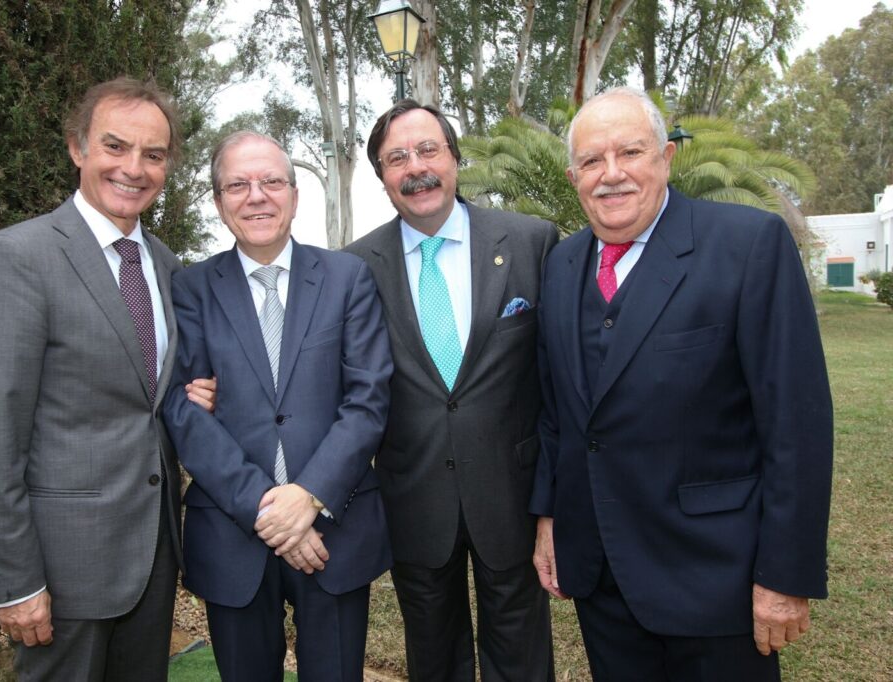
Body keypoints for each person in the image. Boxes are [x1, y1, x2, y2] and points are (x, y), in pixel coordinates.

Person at [529, 87, 833, 681]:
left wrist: (785, 576)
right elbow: (557, 412)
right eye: (592, 161)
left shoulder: (749, 246)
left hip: (715, 577)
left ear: (666, 158)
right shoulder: (561, 267)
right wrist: (550, 518)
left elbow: (796, 424)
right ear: (573, 177)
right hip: (602, 577)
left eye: (631, 153)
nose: (611, 175)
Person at [0, 77, 213, 680]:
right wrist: (13, 581)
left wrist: (195, 396)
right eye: (115, 147)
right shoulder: (17, 258)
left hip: (151, 559)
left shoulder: (168, 267)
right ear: (77, 148)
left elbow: (147, 397)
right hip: (60, 570)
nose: (134, 168)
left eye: (153, 154)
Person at [163, 131, 393, 682]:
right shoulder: (190, 288)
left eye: (271, 181)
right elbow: (183, 410)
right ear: (219, 203)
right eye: (237, 185)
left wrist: (309, 498)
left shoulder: (346, 278)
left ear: (294, 194)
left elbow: (368, 399)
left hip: (334, 533)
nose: (256, 196)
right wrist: (269, 508)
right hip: (231, 535)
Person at [344, 100, 558, 681]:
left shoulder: (532, 243)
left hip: (511, 497)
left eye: (428, 150)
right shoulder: (354, 268)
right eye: (397, 158)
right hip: (414, 502)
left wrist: (553, 502)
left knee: (522, 660)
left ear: (455, 158)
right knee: (434, 662)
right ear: (383, 177)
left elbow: (560, 380)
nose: (416, 167)